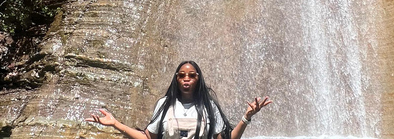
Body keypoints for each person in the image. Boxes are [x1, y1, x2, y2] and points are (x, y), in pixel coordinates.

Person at [87, 60, 272, 139]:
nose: (186, 78)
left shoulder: (209, 107)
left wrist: (246, 117)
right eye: (182, 75)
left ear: (198, 79)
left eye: (192, 75)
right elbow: (147, 137)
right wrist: (115, 124)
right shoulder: (164, 104)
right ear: (176, 78)